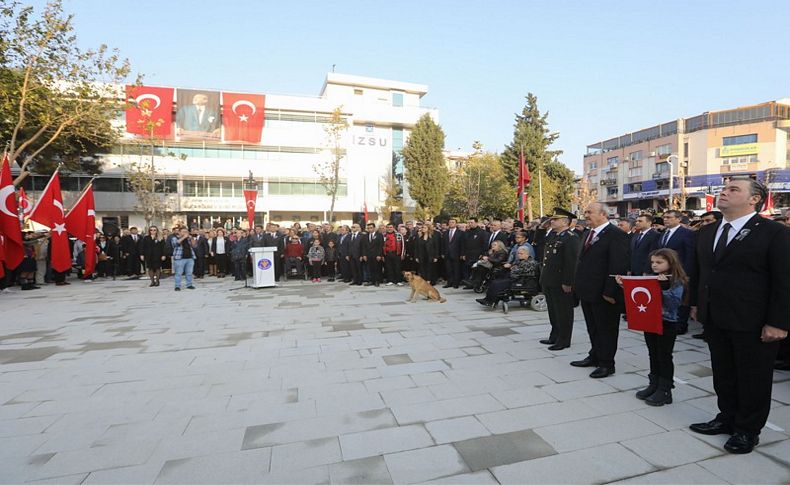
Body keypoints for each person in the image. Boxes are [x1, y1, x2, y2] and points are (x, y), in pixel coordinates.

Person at [688, 178, 790, 454]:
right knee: (724, 374)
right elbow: (701, 273)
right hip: (716, 317)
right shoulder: (707, 232)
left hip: (754, 321)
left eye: (733, 190)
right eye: (724, 189)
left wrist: (779, 322)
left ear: (754, 199)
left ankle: (747, 430)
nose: (724, 192)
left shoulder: (772, 232)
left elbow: (784, 280)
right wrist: (697, 305)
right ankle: (726, 417)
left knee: (753, 378)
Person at [617, 248, 687, 406]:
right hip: (650, 320)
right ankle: (653, 383)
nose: (654, 265)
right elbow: (639, 291)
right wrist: (624, 284)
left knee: (664, 355)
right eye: (653, 262)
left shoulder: (676, 280)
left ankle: (665, 388)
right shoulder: (651, 276)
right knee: (653, 353)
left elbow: (674, 302)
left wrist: (662, 287)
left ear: (670, 262)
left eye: (659, 262)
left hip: (667, 322)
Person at [571, 203, 629, 378]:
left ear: (603, 214)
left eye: (590, 212)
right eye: (585, 212)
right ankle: (595, 355)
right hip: (588, 290)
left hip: (604, 293)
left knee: (607, 329)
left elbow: (618, 264)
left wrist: (610, 292)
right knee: (593, 327)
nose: (586, 215)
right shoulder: (588, 233)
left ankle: (607, 363)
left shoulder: (616, 235)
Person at [539, 208, 581, 351]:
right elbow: (538, 243)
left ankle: (564, 340)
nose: (552, 221)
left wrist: (568, 282)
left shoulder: (571, 237)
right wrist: (540, 227)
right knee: (553, 310)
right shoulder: (554, 235)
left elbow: (571, 262)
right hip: (549, 279)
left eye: (555, 219)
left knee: (563, 312)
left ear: (565, 222)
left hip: (560, 281)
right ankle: (554, 335)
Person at [658, 210, 695, 334]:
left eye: (669, 217)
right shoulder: (663, 233)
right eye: (664, 217)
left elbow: (690, 255)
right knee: (667, 296)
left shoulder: (686, 233)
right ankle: (668, 320)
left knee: (681, 298)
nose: (665, 219)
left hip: (680, 272)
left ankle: (681, 325)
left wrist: (686, 273)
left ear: (678, 219)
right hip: (665, 272)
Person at [441, 218, 463, 288]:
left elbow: (462, 244)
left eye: (453, 222)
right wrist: (442, 253)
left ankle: (456, 283)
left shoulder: (460, 233)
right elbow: (443, 244)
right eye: (450, 222)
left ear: (456, 224)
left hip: (456, 254)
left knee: (456, 269)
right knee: (448, 269)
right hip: (447, 254)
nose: (451, 223)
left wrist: (462, 254)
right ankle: (449, 283)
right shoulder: (445, 233)